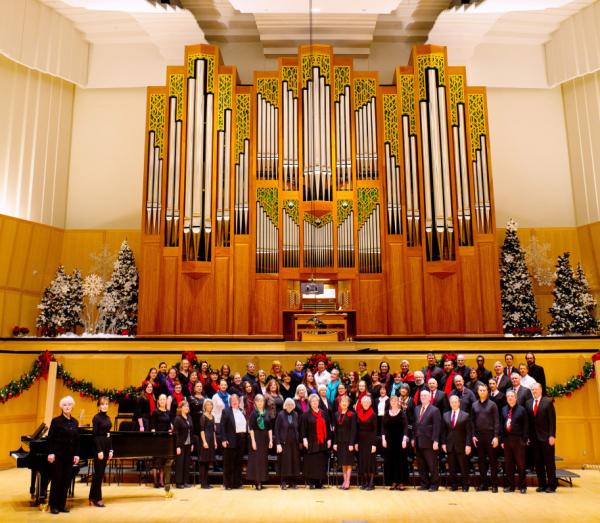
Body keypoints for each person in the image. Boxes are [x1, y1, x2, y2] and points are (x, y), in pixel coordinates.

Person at [47, 396, 80, 514]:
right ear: (61, 407)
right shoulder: (56, 421)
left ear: (72, 407)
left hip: (69, 456)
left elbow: (77, 440)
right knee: (57, 480)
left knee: (66, 481)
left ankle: (62, 505)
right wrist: (51, 452)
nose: (67, 407)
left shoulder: (75, 422)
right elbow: (50, 439)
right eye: (65, 405)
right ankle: (53, 506)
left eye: (69, 405)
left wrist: (77, 454)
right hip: (58, 455)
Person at [526, 383, 557, 493]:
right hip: (534, 438)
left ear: (541, 390)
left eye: (536, 389)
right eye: (532, 389)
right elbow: (528, 422)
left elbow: (552, 421)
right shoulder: (528, 403)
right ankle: (542, 484)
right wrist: (528, 437)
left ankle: (552, 485)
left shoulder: (547, 402)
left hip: (546, 438)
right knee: (538, 462)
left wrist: (552, 435)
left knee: (549, 462)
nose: (534, 391)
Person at [471, 384, 499, 492]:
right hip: (478, 437)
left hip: (490, 436)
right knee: (481, 461)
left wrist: (496, 437)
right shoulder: (474, 405)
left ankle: (494, 484)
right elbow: (472, 422)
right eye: (480, 390)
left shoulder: (493, 405)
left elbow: (497, 421)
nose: (482, 392)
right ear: (478, 392)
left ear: (487, 392)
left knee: (493, 461)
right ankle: (484, 484)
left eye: (484, 390)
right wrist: (473, 435)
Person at [441, 395, 472, 492]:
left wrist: (468, 445)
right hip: (449, 445)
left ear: (459, 403)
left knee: (463, 467)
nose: (454, 404)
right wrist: (443, 443)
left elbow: (469, 432)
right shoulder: (445, 415)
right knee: (451, 467)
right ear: (450, 404)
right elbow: (443, 431)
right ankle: (454, 485)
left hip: (462, 445)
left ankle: (465, 485)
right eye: (452, 402)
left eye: (455, 402)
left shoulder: (466, 415)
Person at [412, 390, 441, 491]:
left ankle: (434, 485)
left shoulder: (435, 410)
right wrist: (413, 438)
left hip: (430, 442)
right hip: (418, 441)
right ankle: (425, 483)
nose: (423, 397)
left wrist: (436, 441)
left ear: (429, 398)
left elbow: (437, 427)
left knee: (432, 465)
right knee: (421, 465)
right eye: (421, 395)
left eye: (425, 395)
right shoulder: (417, 408)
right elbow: (415, 425)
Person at [301, 394, 331, 489]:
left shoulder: (323, 413)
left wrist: (329, 439)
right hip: (311, 441)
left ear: (319, 402)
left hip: (322, 442)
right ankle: (311, 482)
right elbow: (303, 429)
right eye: (313, 401)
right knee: (311, 462)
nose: (315, 403)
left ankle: (319, 482)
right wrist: (304, 439)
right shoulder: (306, 414)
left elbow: (328, 427)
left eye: (316, 401)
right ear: (310, 403)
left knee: (321, 463)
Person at [501, 390, 528, 494]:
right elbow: (502, 426)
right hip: (507, 440)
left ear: (516, 398)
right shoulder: (503, 410)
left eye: (512, 396)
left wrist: (524, 440)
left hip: (519, 440)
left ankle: (522, 486)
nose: (510, 398)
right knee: (509, 465)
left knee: (521, 465)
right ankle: (510, 486)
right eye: (508, 396)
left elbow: (526, 426)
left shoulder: (522, 410)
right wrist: (502, 440)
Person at [89, 396, 113, 507]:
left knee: (99, 474)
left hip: (106, 446)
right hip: (99, 447)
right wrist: (99, 450)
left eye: (106, 404)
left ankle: (92, 497)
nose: (105, 406)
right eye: (102, 404)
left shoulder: (107, 417)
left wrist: (111, 449)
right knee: (98, 474)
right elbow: (94, 436)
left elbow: (109, 434)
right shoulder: (96, 418)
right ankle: (98, 499)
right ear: (98, 406)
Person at [382, 395, 409, 490]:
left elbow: (406, 427)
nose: (393, 402)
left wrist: (404, 440)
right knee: (391, 461)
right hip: (389, 441)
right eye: (392, 401)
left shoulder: (402, 413)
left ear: (398, 402)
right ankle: (393, 481)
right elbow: (383, 428)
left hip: (400, 440)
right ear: (390, 402)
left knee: (400, 461)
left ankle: (401, 482)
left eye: (395, 401)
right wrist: (383, 439)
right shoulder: (386, 413)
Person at [220, 394, 247, 490]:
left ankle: (237, 483)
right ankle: (228, 484)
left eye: (236, 400)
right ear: (230, 402)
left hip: (241, 440)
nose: (235, 402)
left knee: (238, 462)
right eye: (233, 400)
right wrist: (223, 439)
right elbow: (222, 426)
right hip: (230, 439)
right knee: (229, 463)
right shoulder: (226, 411)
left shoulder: (241, 411)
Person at [274, 398, 301, 489]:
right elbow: (276, 430)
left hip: (294, 443)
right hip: (284, 443)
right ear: (285, 406)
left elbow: (298, 428)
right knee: (285, 463)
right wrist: (278, 443)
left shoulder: (296, 414)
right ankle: (283, 482)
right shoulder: (281, 415)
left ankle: (293, 482)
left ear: (294, 406)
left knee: (294, 462)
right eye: (288, 404)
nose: (290, 406)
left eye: (291, 405)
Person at [247, 394, 273, 490]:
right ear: (255, 403)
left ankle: (262, 480)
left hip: (264, 438)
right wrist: (253, 441)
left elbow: (270, 428)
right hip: (256, 437)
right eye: (258, 401)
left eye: (262, 401)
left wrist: (270, 440)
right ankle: (257, 481)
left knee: (263, 460)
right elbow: (251, 428)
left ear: (264, 402)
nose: (260, 403)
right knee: (256, 460)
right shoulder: (253, 414)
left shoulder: (267, 413)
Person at [333, 395, 357, 490]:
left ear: (348, 404)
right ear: (339, 403)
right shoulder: (336, 414)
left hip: (348, 442)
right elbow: (335, 430)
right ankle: (344, 480)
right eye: (342, 401)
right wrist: (335, 443)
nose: (344, 403)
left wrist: (352, 443)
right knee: (343, 462)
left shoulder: (352, 414)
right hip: (340, 441)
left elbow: (353, 430)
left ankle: (348, 481)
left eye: (346, 402)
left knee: (348, 462)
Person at [355, 395, 378, 490]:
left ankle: (371, 483)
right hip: (361, 440)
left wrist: (374, 444)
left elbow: (375, 430)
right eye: (364, 402)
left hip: (370, 440)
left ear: (370, 403)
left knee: (370, 462)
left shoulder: (373, 414)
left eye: (367, 402)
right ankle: (365, 482)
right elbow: (356, 429)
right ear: (361, 403)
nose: (366, 404)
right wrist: (356, 442)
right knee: (363, 461)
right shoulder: (358, 413)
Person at [150, 394, 172, 488]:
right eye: (161, 399)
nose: (163, 401)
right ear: (158, 401)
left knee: (163, 461)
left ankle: (161, 480)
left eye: (164, 399)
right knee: (156, 461)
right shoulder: (155, 412)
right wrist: (154, 435)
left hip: (165, 439)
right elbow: (152, 426)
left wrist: (170, 430)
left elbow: (168, 425)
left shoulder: (168, 412)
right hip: (157, 439)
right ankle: (155, 481)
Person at [174, 400, 193, 489]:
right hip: (181, 444)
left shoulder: (189, 417)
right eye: (185, 406)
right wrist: (177, 446)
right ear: (181, 408)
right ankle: (179, 482)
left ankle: (185, 481)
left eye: (188, 406)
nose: (187, 408)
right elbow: (176, 434)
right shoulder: (178, 418)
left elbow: (191, 431)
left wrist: (192, 443)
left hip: (188, 443)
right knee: (180, 463)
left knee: (186, 463)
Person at [198, 399, 217, 489]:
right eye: (208, 405)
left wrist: (215, 441)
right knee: (203, 462)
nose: (209, 406)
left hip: (211, 440)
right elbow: (202, 430)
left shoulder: (212, 416)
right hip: (205, 440)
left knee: (208, 462)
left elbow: (213, 431)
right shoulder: (203, 417)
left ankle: (206, 482)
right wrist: (204, 442)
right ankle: (203, 483)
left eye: (211, 405)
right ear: (205, 406)